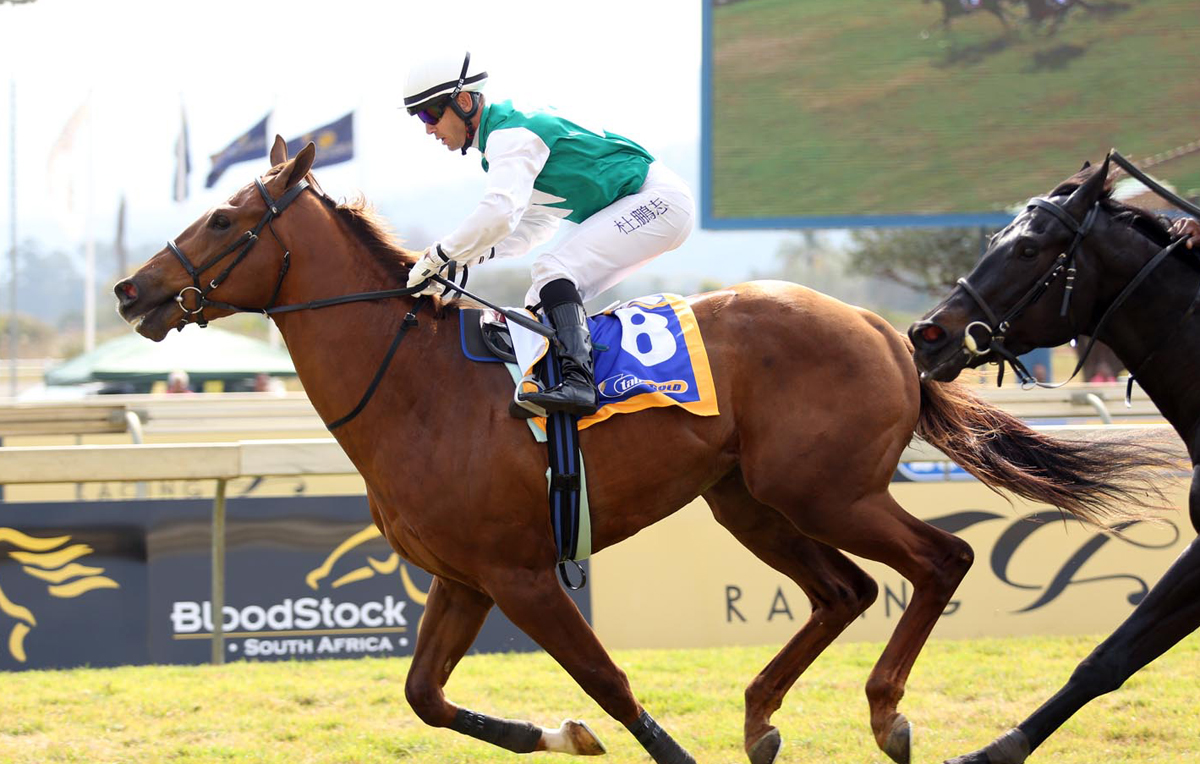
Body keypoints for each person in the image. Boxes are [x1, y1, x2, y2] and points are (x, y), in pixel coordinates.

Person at [401, 51, 695, 416]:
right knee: (540, 298)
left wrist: (438, 257)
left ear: (463, 101)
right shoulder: (503, 139)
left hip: (659, 201)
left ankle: (580, 384)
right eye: (421, 118)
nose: (428, 129)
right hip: (652, 203)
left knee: (553, 270)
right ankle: (561, 385)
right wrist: (464, 261)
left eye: (430, 114)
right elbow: (536, 226)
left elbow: (499, 212)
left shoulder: (510, 136)